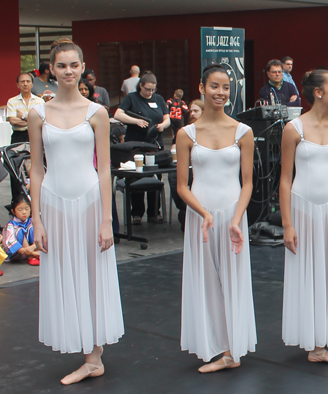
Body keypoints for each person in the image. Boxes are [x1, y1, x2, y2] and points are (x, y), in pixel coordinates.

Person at [28, 38, 124, 385]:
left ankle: (93, 357)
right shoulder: (38, 113)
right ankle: (86, 350)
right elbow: (36, 169)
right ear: (51, 71)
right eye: (61, 66)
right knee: (65, 274)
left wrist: (106, 220)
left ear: (82, 68)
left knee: (91, 275)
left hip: (88, 203)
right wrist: (35, 219)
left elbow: (103, 169)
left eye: (74, 65)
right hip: (53, 203)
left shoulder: (96, 113)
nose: (68, 71)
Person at [177, 64, 256, 373]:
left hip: (233, 215)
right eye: (215, 86)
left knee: (233, 281)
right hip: (201, 217)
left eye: (226, 87)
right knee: (206, 281)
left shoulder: (243, 132)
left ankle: (232, 351)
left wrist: (236, 218)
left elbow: (248, 182)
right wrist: (203, 213)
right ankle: (217, 346)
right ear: (201, 87)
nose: (221, 92)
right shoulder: (187, 134)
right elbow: (182, 185)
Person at [280, 70, 328, 365]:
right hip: (302, 210)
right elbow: (285, 179)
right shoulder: (294, 128)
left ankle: (323, 343)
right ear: (318, 92)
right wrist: (287, 223)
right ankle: (313, 344)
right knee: (305, 272)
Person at [114, 71, 171, 224]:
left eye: (153, 89)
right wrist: (135, 121)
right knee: (135, 176)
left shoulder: (158, 99)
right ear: (141, 86)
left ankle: (154, 212)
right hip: (136, 144)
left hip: (154, 143)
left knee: (155, 175)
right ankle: (137, 213)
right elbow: (118, 114)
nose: (150, 92)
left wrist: (162, 126)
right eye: (147, 89)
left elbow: (167, 118)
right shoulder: (131, 98)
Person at [168, 99, 204, 231]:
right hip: (184, 165)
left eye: (196, 111)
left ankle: (187, 211)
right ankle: (184, 207)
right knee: (173, 177)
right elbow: (174, 146)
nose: (192, 114)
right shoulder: (184, 131)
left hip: (200, 168)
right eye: (191, 111)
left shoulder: (206, 131)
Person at [2, 194, 40, 266]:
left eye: (27, 209)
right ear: (13, 211)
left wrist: (34, 247)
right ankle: (32, 256)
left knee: (32, 228)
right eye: (20, 209)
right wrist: (30, 251)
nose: (24, 212)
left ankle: (37, 253)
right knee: (20, 230)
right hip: (19, 253)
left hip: (33, 248)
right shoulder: (10, 225)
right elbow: (10, 243)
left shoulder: (32, 221)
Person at [6, 73, 44, 144]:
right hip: (19, 136)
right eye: (22, 81)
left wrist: (23, 116)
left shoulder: (39, 101)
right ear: (17, 85)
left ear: (32, 84)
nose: (25, 84)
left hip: (36, 135)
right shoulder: (12, 101)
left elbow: (42, 121)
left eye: (28, 81)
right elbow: (13, 121)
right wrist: (33, 121)